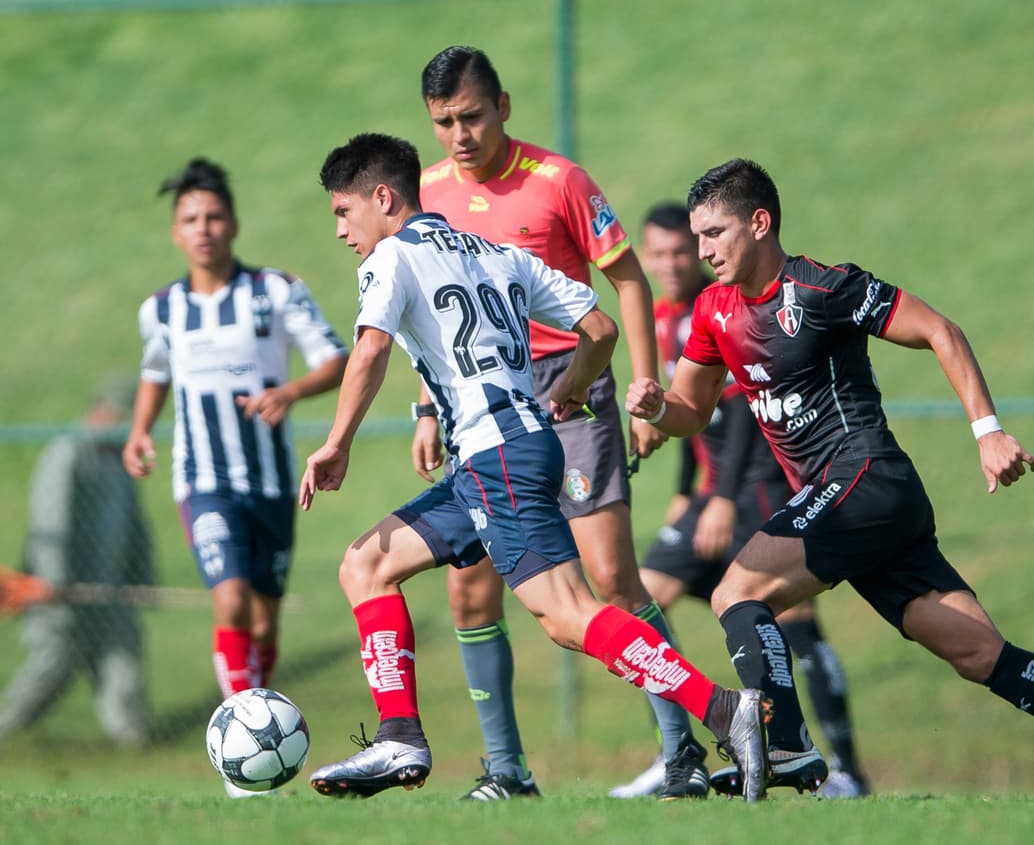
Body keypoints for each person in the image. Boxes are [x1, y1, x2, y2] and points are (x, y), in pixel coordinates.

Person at [624, 158, 1034, 804]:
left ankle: (783, 742)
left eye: (714, 233)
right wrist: (654, 409)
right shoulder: (712, 310)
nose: (703, 250)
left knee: (736, 591)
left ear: (759, 223)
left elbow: (939, 331)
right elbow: (691, 411)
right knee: (979, 653)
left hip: (867, 480)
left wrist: (989, 432)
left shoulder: (822, 289)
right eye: (697, 237)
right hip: (855, 511)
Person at [300, 131, 769, 802]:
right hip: (506, 453)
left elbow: (371, 348)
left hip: (499, 459)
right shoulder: (497, 253)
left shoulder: (389, 259)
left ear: (382, 197)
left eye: (344, 211)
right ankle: (400, 733)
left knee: (568, 613)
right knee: (366, 563)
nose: (342, 229)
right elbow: (600, 328)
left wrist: (337, 440)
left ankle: (724, 709)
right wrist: (573, 389)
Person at [417, 46, 708, 801]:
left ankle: (683, 753)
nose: (460, 134)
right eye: (444, 121)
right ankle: (506, 771)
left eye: (472, 116)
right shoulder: (426, 192)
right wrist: (423, 408)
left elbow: (625, 279)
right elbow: (422, 317)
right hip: (480, 403)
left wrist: (648, 383)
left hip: (570, 390)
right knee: (470, 593)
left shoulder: (559, 181)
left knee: (611, 576)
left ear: (504, 106)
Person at [611, 203, 871, 799]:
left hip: (758, 482)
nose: (675, 262)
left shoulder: (725, 303)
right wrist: (685, 495)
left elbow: (743, 412)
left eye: (685, 249)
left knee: (798, 619)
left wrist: (723, 498)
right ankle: (679, 753)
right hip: (711, 492)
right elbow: (692, 415)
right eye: (661, 253)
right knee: (640, 600)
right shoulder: (664, 317)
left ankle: (847, 770)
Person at [122, 158, 348, 792]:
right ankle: (239, 755)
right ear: (176, 232)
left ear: (234, 224)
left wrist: (291, 392)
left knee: (266, 623)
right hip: (204, 479)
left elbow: (336, 357)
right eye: (191, 219)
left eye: (214, 216)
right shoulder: (162, 309)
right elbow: (156, 371)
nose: (204, 229)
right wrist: (141, 430)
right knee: (231, 600)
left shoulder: (274, 291)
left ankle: (260, 732)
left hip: (272, 483)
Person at [0, 375, 152, 747]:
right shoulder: (66, 453)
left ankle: (132, 743)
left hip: (109, 588)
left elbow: (136, 526)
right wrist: (52, 579)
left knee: (122, 661)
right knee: (51, 665)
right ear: (99, 410)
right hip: (59, 591)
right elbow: (50, 520)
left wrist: (141, 578)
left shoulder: (121, 462)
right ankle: (6, 731)